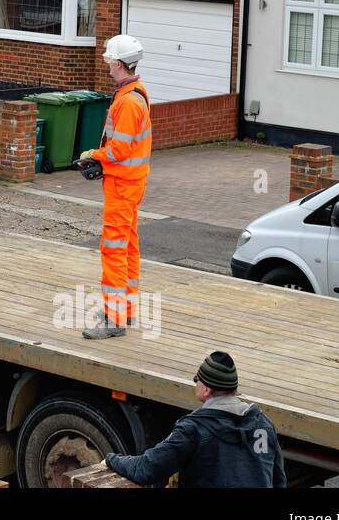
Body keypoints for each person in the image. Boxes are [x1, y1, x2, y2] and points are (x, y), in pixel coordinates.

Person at [105, 351, 287, 487]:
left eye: (197, 379)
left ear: (207, 390)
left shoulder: (193, 430)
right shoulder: (263, 425)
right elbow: (278, 480)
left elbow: (147, 469)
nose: (195, 382)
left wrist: (111, 459)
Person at [80, 34, 150, 338]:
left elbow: (118, 150)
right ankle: (126, 308)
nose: (107, 65)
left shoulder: (129, 102)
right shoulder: (134, 93)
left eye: (110, 61)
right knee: (128, 247)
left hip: (122, 187)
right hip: (129, 184)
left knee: (113, 250)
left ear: (120, 64)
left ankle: (113, 318)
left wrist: (92, 155)